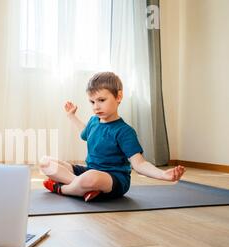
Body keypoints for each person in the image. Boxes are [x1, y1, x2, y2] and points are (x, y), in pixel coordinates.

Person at [40, 71, 185, 202]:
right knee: (46, 163)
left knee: (91, 177)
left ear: (119, 96)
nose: (96, 107)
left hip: (113, 179)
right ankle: (82, 188)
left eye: (101, 100)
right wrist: (71, 116)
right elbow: (85, 134)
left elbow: (139, 164)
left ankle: (62, 188)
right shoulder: (93, 121)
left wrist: (163, 175)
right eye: (92, 102)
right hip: (89, 171)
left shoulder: (124, 131)